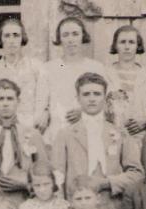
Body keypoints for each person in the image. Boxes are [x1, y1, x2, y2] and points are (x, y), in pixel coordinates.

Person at [52, 72, 143, 209]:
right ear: (78, 98)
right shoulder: (65, 134)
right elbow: (58, 177)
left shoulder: (120, 132)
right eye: (86, 94)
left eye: (97, 94)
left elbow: (137, 174)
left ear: (104, 97)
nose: (92, 99)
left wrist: (107, 183)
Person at [35, 16, 118, 147]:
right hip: (57, 132)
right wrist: (45, 112)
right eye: (65, 35)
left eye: (75, 34)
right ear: (59, 38)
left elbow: (110, 103)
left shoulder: (96, 67)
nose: (71, 39)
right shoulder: (48, 68)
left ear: (82, 36)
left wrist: (86, 110)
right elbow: (41, 103)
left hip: (90, 132)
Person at [0, 78, 48, 206]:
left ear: (18, 102)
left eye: (10, 99)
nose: (5, 104)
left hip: (25, 204)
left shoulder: (33, 135)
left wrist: (26, 185)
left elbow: (45, 173)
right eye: (0, 99)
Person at [108, 25, 146, 138]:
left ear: (138, 46)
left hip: (141, 136)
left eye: (131, 42)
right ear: (115, 45)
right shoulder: (105, 73)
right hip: (112, 135)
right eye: (122, 42)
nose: (127, 47)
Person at [0, 18, 42, 128]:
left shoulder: (36, 66)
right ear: (1, 39)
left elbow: (44, 98)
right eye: (7, 35)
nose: (11, 40)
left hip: (31, 126)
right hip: (2, 127)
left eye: (16, 35)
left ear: (22, 38)